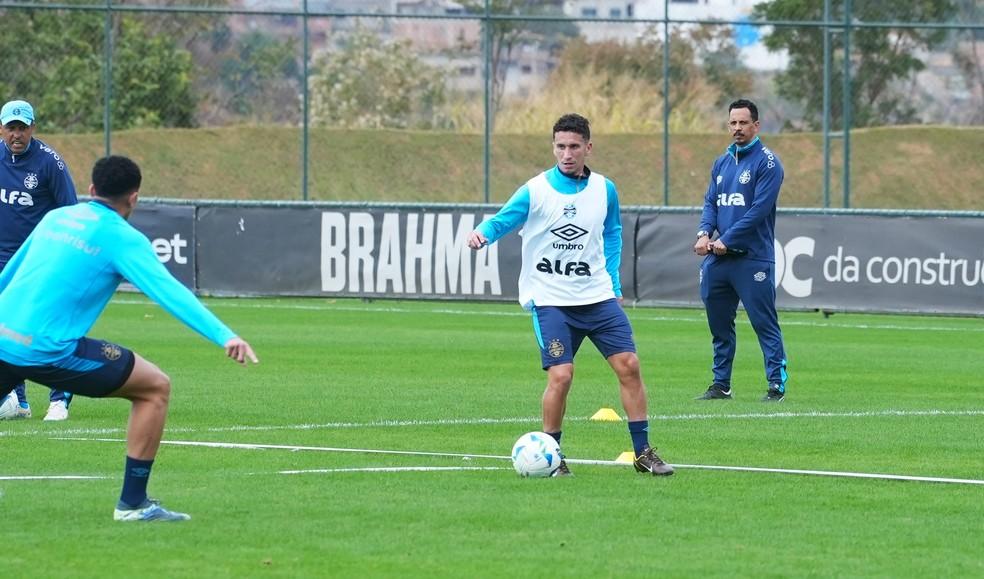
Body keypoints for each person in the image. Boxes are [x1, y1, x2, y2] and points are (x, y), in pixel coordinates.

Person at [0, 155, 258, 521]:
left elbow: (9, 275)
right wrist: (224, 335)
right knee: (154, 387)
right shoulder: (123, 238)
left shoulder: (55, 218)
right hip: (46, 350)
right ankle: (133, 504)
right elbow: (169, 292)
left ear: (91, 189)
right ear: (134, 197)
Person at [467, 113, 673, 477]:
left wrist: (613, 284)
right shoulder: (535, 190)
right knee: (561, 376)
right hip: (551, 300)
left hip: (596, 296)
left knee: (629, 366)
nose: (567, 153)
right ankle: (553, 454)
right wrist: (483, 233)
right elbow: (502, 219)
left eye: (574, 146)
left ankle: (643, 453)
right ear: (553, 147)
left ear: (588, 148)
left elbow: (613, 234)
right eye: (560, 146)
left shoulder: (605, 189)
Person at [693, 98, 788, 402]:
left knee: (764, 323)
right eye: (733, 123)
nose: (737, 128)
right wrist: (704, 233)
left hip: (752, 259)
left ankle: (776, 384)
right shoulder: (721, 162)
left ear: (756, 126)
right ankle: (721, 384)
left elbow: (759, 210)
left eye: (743, 122)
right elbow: (711, 202)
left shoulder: (768, 163)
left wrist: (728, 239)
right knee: (719, 326)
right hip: (718, 260)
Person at [0, 99, 78, 421]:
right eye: (11, 128)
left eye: (22, 128)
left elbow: (70, 213)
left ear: (33, 127)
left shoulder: (50, 163)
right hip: (4, 261)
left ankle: (59, 400)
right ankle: (18, 401)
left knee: (46, 328)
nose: (16, 134)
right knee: (7, 331)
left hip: (40, 259)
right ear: (1, 129)